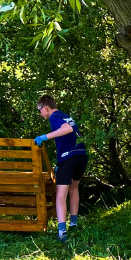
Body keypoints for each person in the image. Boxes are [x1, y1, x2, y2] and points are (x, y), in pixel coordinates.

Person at [34, 95, 87, 242]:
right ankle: (74, 224)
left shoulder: (54, 117)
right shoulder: (65, 115)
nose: (40, 114)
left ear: (45, 108)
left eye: (39, 110)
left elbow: (67, 129)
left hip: (68, 156)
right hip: (81, 155)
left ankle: (62, 233)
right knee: (74, 188)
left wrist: (45, 137)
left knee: (61, 195)